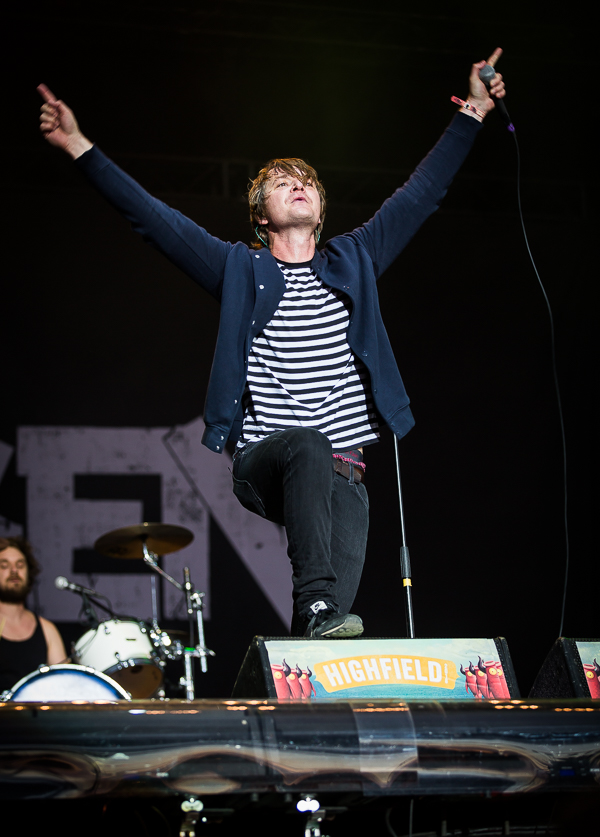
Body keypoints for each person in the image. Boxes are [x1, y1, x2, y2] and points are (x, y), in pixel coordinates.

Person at [37, 50, 506, 639]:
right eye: (283, 183)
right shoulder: (239, 268)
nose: (299, 185)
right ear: (262, 216)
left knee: (323, 629)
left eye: (306, 181)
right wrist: (79, 144)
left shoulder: (355, 259)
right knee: (308, 460)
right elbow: (155, 220)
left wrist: (474, 111)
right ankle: (314, 602)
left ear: (321, 208)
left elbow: (421, 194)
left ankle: (303, 652)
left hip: (345, 473)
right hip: (266, 460)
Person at [0, 537, 67, 694]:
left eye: (20, 565)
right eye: (4, 565)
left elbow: (64, 688)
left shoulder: (47, 629)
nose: (14, 571)